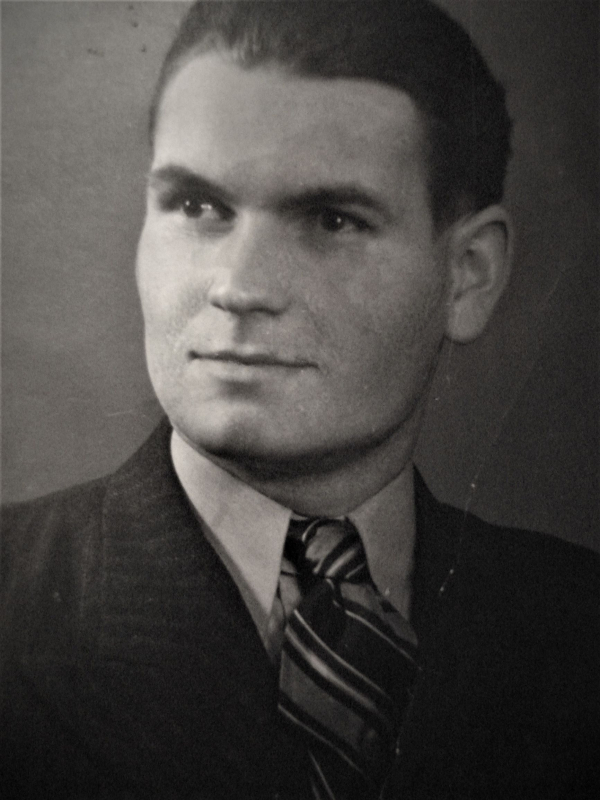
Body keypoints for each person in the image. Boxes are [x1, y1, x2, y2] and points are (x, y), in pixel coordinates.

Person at [1, 2, 598, 799]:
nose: (239, 286)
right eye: (197, 207)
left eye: (331, 220)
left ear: (468, 276)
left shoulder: (576, 625)